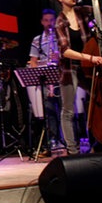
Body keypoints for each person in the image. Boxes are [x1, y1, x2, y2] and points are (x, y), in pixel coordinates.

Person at [50, 0, 102, 155]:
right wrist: (90, 58)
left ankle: (99, 143)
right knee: (68, 110)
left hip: (87, 67)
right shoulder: (60, 21)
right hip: (70, 69)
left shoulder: (83, 12)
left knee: (97, 102)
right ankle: (72, 150)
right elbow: (65, 51)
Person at [27, 8, 62, 153]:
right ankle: (53, 140)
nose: (49, 23)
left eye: (52, 20)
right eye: (46, 20)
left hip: (61, 77)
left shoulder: (61, 37)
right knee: (49, 111)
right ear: (42, 22)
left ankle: (67, 140)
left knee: (64, 110)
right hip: (46, 80)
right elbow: (33, 61)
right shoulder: (37, 39)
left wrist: (59, 57)